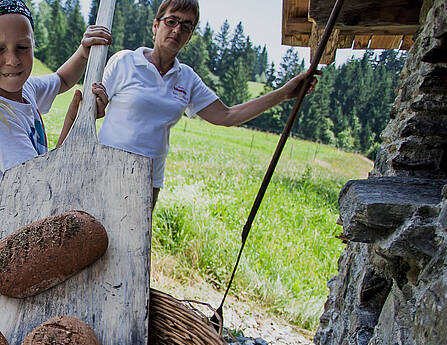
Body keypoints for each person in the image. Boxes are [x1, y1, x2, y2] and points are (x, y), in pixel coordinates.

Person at [98, 0, 319, 206]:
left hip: (148, 180)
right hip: (106, 167)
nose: (177, 30)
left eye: (186, 26)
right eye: (171, 21)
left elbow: (227, 116)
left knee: (132, 247)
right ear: (156, 25)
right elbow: (94, 108)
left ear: (190, 36)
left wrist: (283, 94)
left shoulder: (187, 78)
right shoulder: (125, 61)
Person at [0, 0, 110, 257]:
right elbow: (41, 187)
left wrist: (84, 53)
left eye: (23, 47)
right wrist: (75, 124)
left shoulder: (23, 91)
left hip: (23, 229)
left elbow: (62, 80)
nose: (13, 60)